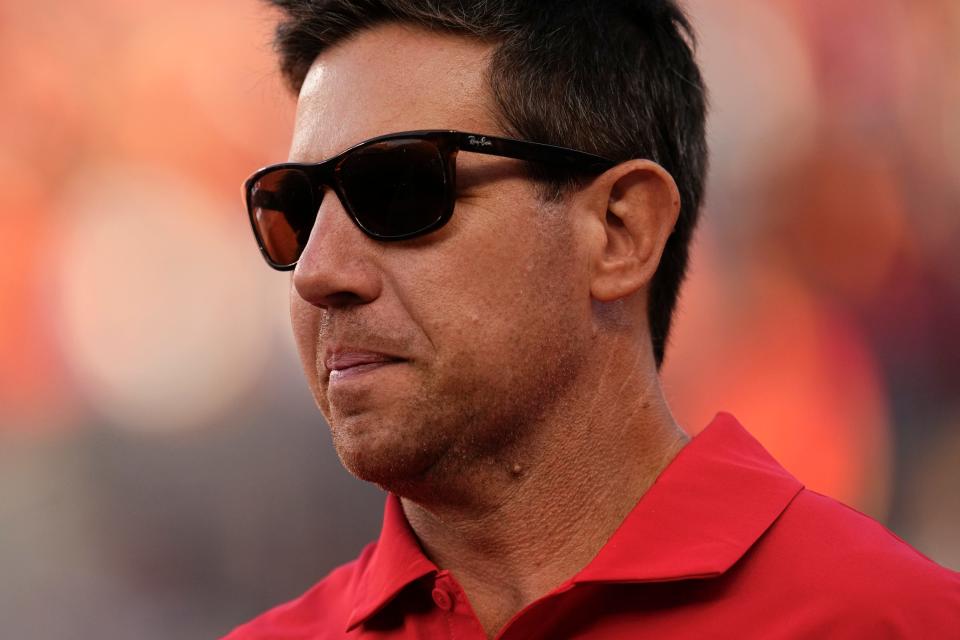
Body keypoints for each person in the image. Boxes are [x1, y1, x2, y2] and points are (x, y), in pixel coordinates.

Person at [226, 1, 960, 637]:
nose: (317, 273)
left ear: (620, 231)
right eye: (293, 208)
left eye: (398, 190)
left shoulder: (897, 622)